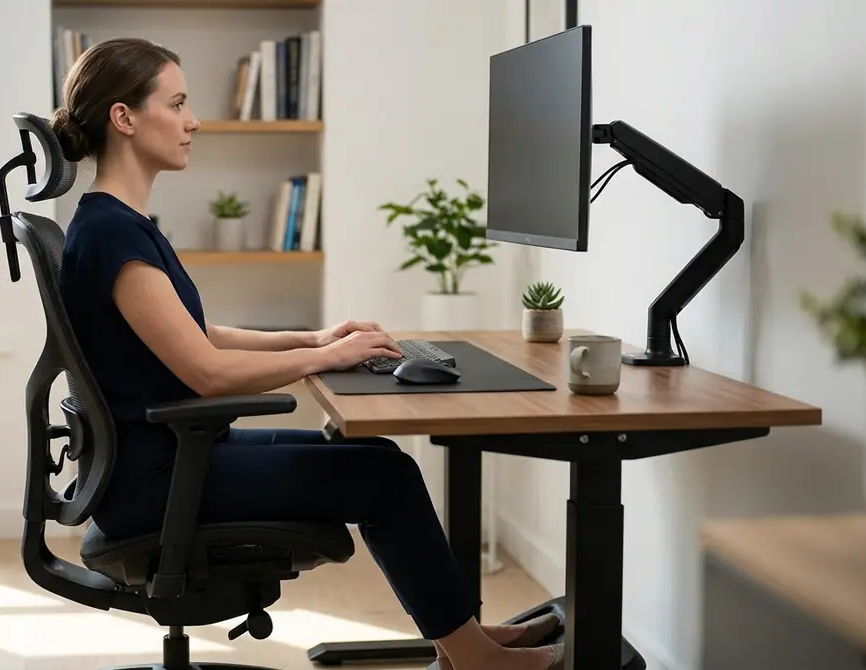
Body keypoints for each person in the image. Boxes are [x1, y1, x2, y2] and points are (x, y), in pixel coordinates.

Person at [51, 37, 564, 670]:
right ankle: (474, 659)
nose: (194, 121)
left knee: (375, 458)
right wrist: (326, 360)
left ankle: (468, 644)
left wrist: (315, 338)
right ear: (124, 118)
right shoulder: (111, 236)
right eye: (177, 103)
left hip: (167, 460)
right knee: (386, 477)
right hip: (157, 482)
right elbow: (207, 373)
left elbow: (199, 333)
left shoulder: (115, 224)